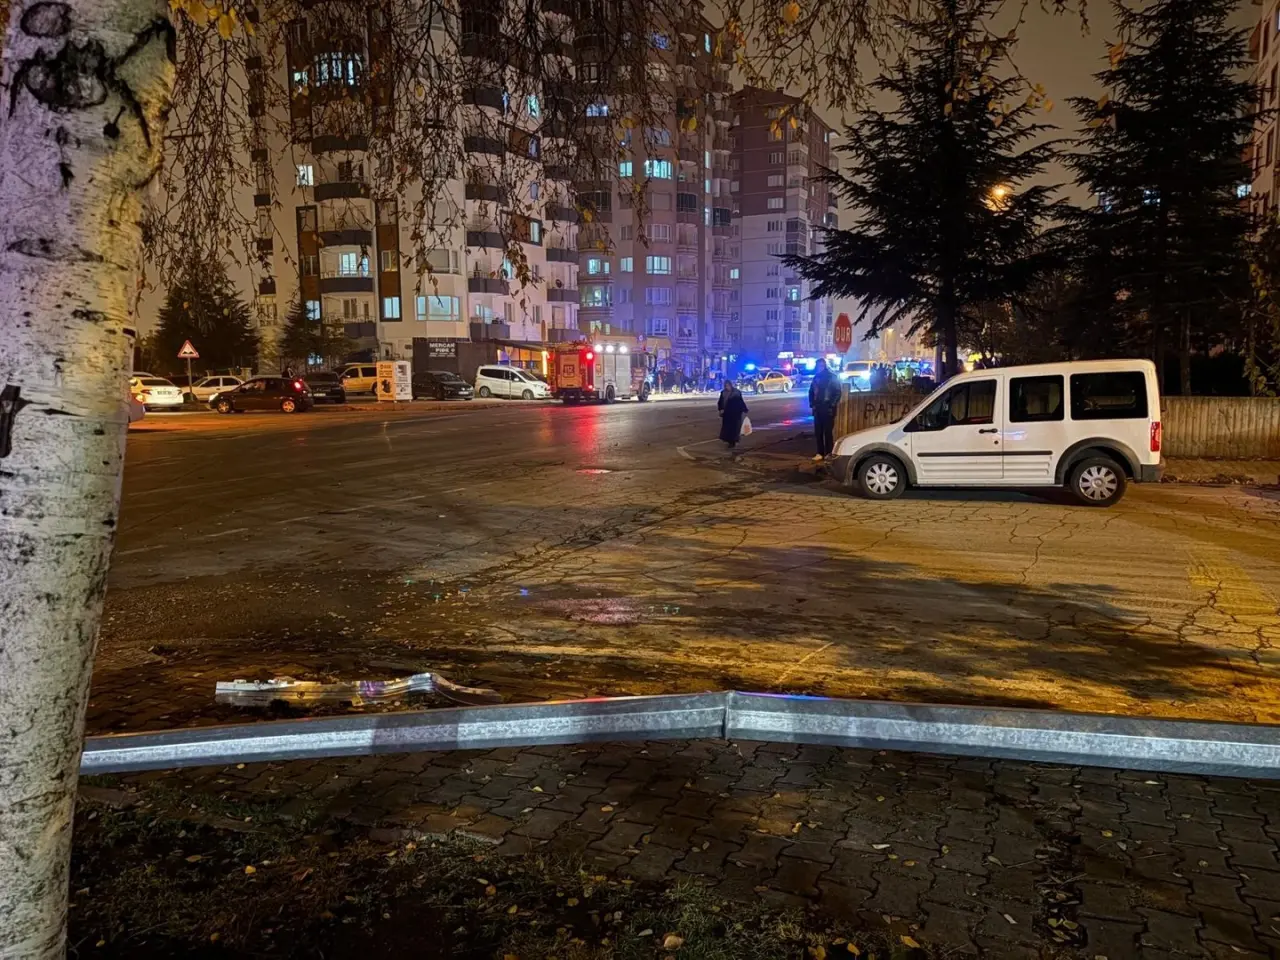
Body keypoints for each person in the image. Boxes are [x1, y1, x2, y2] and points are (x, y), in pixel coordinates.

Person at [808, 362, 841, 461]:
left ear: (823, 366)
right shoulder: (816, 377)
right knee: (818, 432)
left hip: (827, 408)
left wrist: (831, 405)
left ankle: (828, 452)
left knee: (828, 432)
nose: (818, 368)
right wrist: (812, 404)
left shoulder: (832, 377)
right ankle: (820, 452)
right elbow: (811, 391)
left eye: (819, 366)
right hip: (818, 408)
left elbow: (838, 392)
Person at [718, 381, 748, 451]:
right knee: (727, 428)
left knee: (734, 428)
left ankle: (733, 441)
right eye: (725, 386)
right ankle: (729, 441)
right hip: (727, 413)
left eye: (728, 385)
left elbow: (740, 401)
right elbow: (720, 402)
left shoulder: (736, 393)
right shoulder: (723, 393)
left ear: (730, 385)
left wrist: (744, 409)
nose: (727, 387)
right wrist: (721, 409)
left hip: (735, 413)